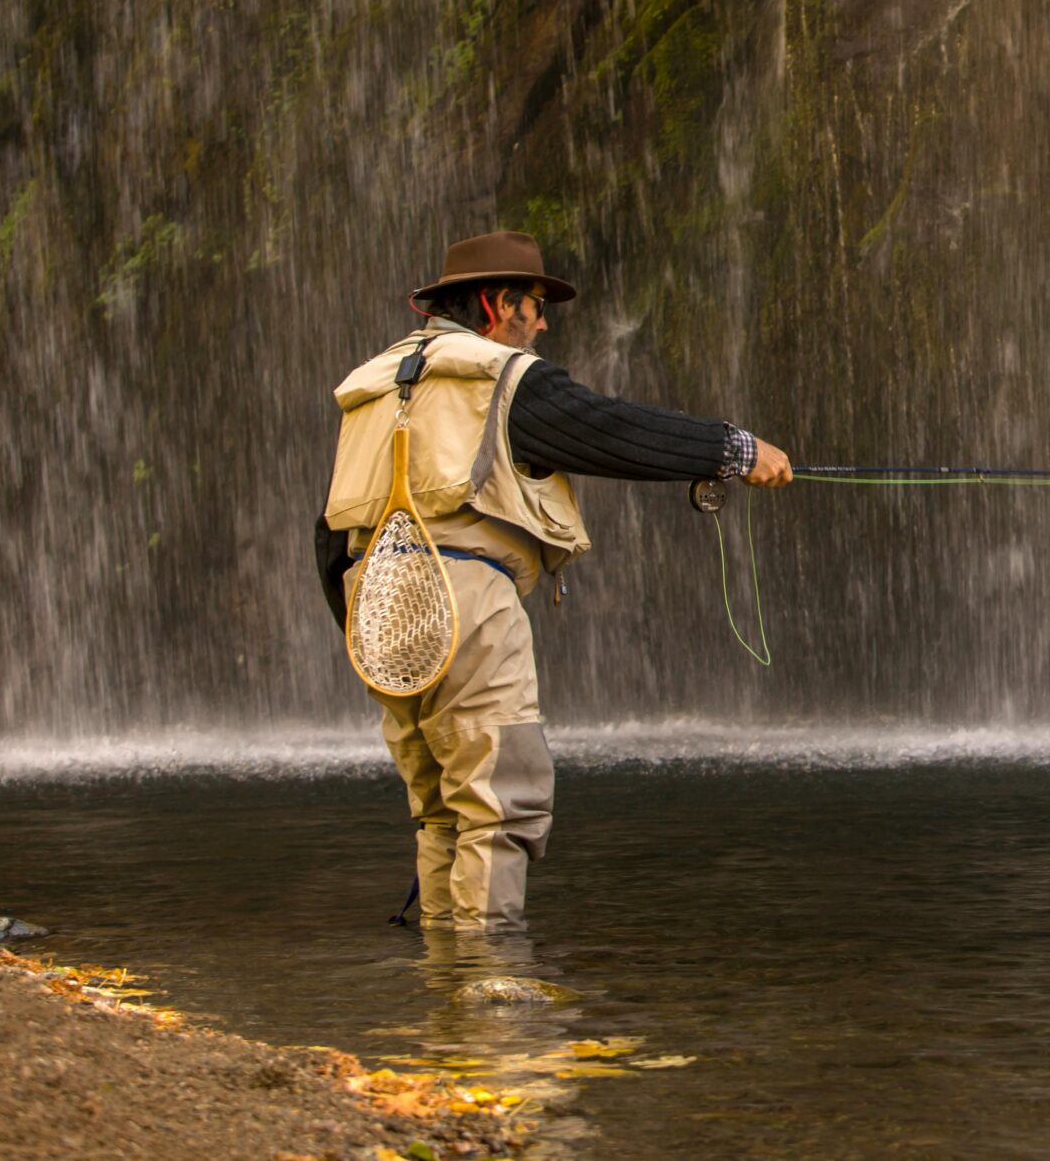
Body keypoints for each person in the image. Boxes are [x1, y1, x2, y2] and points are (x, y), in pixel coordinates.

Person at [315, 231, 791, 930]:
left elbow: (328, 533)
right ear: (494, 302)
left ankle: (446, 993)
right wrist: (733, 450)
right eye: (535, 304)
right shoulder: (500, 376)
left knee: (442, 808)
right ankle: (489, 993)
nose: (541, 323)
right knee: (502, 800)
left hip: (378, 608)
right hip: (468, 594)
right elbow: (611, 430)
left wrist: (369, 629)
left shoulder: (377, 384)